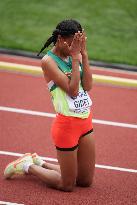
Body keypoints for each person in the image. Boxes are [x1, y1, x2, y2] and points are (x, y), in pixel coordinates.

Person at [4, 19, 95, 192]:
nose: (73, 47)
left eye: (77, 43)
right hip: (67, 126)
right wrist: (76, 58)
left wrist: (84, 55)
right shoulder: (48, 61)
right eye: (70, 43)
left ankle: (40, 162)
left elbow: (88, 86)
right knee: (67, 184)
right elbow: (73, 91)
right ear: (60, 39)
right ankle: (27, 166)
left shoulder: (75, 54)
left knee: (84, 181)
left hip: (86, 123)